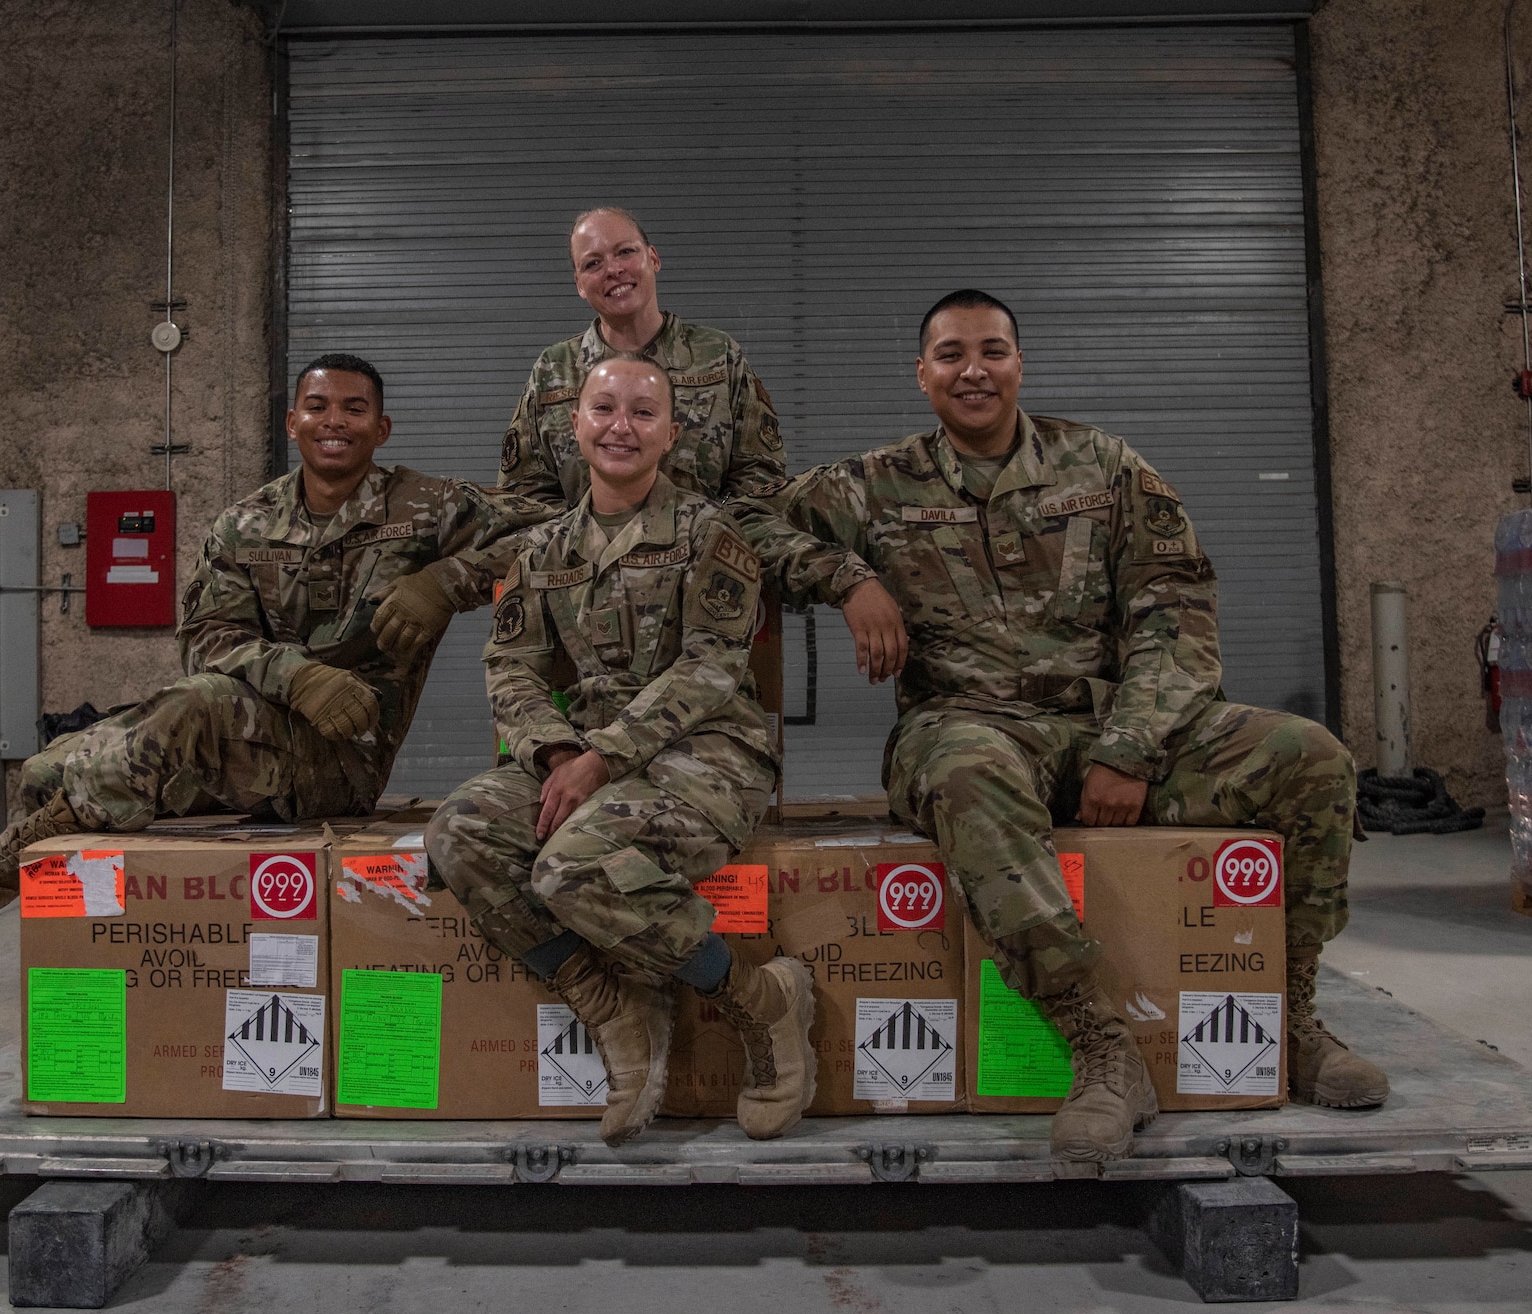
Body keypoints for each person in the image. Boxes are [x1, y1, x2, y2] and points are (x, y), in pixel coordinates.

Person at [761, 290, 1379, 1163]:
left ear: (1019, 363)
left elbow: (1180, 616)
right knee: (969, 771)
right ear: (922, 373)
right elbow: (742, 530)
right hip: (965, 727)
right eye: (950, 354)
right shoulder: (872, 484)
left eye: (992, 350)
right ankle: (1100, 1047)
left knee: (1311, 759)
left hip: (1107, 726)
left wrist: (1129, 747)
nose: (972, 370)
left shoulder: (1106, 468)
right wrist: (844, 577)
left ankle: (1295, 1018)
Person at [0, 353, 556, 922]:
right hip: (252, 730)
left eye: (354, 409)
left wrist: (449, 580)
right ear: (291, 422)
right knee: (45, 769)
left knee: (195, 707)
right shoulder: (245, 523)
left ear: (380, 429)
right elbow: (206, 634)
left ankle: (1, 863)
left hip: (341, 757)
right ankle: (85, 929)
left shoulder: (429, 506)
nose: (334, 421)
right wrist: (297, 676)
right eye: (318, 406)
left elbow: (558, 531)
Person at [428, 356, 814, 1148]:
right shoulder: (542, 550)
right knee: (460, 831)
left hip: (710, 753)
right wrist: (552, 751)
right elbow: (511, 665)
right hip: (587, 755)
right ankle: (612, 1002)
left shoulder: (711, 536)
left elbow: (710, 668)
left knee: (571, 865)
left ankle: (760, 1001)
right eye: (604, 408)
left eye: (644, 412)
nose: (621, 427)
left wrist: (599, 757)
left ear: (672, 433)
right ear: (575, 426)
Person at [500, 206, 907, 683]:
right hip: (585, 606)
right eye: (593, 262)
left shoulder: (719, 358)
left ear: (652, 258)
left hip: (707, 593)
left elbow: (760, 496)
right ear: (578, 282)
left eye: (625, 252)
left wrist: (845, 578)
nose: (612, 269)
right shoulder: (553, 372)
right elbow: (525, 502)